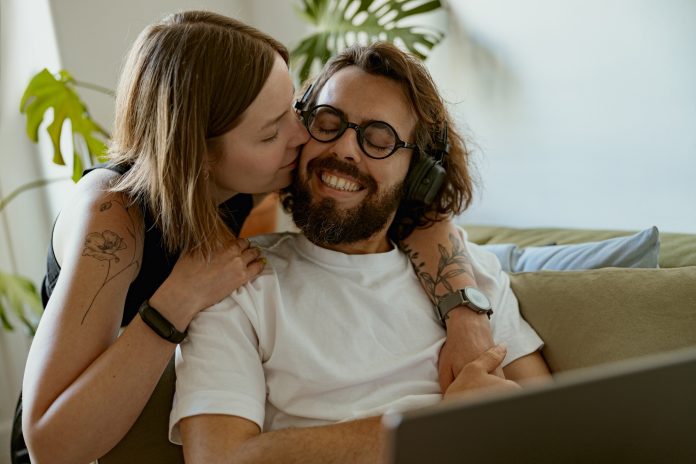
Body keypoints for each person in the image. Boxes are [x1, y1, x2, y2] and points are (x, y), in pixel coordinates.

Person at [16, 11, 500, 464]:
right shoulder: (112, 210)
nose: (302, 136)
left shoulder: (258, 169)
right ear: (199, 156)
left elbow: (406, 205)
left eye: (294, 108)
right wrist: (178, 300)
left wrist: (462, 309)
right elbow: (51, 445)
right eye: (271, 132)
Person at [170, 42, 551, 463]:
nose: (345, 150)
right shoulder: (235, 283)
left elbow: (557, 430)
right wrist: (437, 426)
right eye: (328, 123)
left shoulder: (470, 278)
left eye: (378, 139)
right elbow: (219, 458)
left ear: (419, 173)